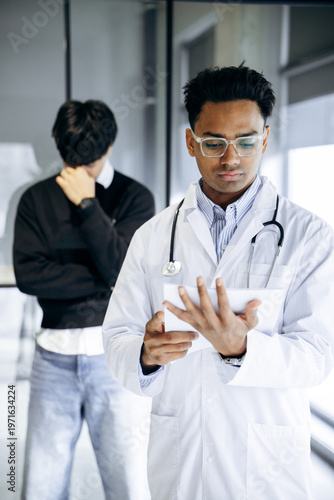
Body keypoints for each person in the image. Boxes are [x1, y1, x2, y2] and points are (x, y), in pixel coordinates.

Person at [102, 64, 334, 500]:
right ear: (191, 143)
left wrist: (241, 348)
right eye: (214, 143)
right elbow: (117, 336)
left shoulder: (310, 236)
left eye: (247, 141)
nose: (231, 158)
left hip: (269, 471)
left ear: (265, 138)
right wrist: (145, 354)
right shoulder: (153, 236)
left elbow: (319, 356)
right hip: (182, 462)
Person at [13, 99, 155, 500]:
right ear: (59, 145)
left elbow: (123, 272)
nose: (78, 169)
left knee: (127, 484)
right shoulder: (34, 200)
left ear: (108, 148)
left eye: (88, 161)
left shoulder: (134, 197)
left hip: (117, 355)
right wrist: (105, 281)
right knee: (41, 486)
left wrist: (88, 204)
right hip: (51, 358)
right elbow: (30, 276)